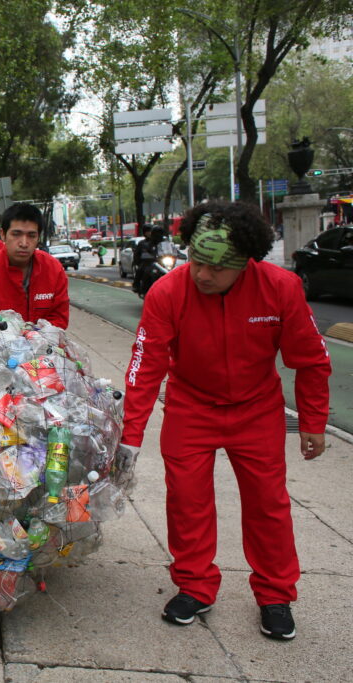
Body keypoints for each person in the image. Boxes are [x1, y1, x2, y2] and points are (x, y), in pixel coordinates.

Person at [117, 200, 331, 641]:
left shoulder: (281, 289)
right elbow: (144, 368)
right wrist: (130, 437)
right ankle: (195, 586)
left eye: (219, 268)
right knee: (186, 499)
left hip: (257, 410)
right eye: (197, 261)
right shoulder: (166, 293)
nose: (203, 275)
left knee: (268, 503)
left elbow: (310, 359)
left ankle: (275, 595)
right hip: (191, 407)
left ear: (246, 264)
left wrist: (313, 420)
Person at [0, 202, 69, 329]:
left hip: (45, 345)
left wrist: (34, 336)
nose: (24, 243)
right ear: (2, 234)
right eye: (16, 234)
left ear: (38, 238)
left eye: (31, 236)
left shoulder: (54, 269)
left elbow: (60, 319)